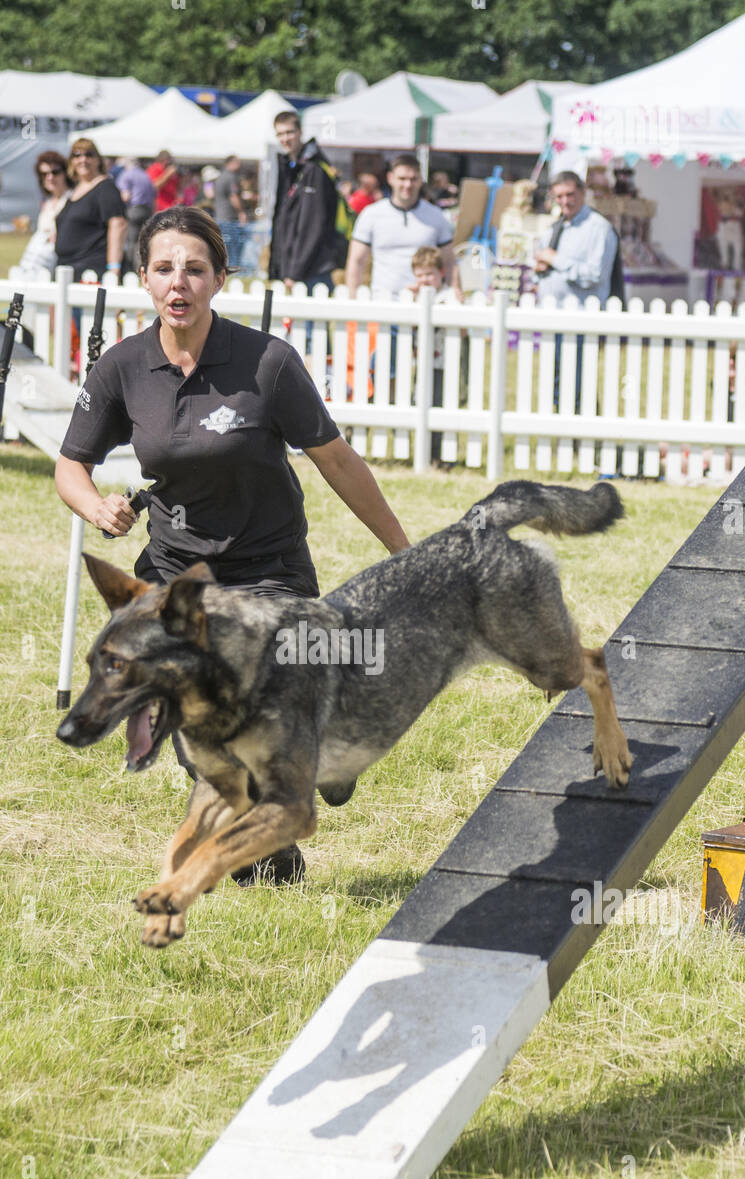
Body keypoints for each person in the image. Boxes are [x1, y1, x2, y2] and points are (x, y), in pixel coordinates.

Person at [54, 206, 410, 884]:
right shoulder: (121, 369)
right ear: (144, 279)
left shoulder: (268, 363)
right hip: (175, 575)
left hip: (269, 569)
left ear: (220, 277)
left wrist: (401, 549)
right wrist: (96, 505)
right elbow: (71, 464)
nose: (178, 282)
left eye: (194, 268)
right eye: (163, 269)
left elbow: (336, 460)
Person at [534, 170, 618, 413]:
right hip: (554, 317)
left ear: (583, 193)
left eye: (570, 194)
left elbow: (595, 275)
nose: (565, 201)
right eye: (559, 196)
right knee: (558, 381)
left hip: (581, 319)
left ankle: (587, 436)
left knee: (579, 382)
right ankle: (566, 432)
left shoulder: (598, 228)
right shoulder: (555, 227)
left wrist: (556, 260)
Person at [345, 154, 460, 300]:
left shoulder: (436, 216)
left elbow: (450, 262)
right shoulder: (371, 214)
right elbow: (356, 261)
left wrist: (455, 295)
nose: (408, 185)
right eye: (402, 179)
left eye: (413, 179)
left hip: (424, 303)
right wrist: (352, 298)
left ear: (420, 180)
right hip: (383, 301)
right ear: (390, 178)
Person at [268, 110, 339, 292]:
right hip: (295, 268)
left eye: (289, 132)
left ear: (300, 132)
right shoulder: (292, 167)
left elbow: (312, 225)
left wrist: (294, 272)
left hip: (312, 270)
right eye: (280, 134)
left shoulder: (313, 169)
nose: (285, 139)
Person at [55, 138, 127, 284]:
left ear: (98, 160)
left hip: (91, 271)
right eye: (77, 155)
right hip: (66, 268)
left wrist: (114, 267)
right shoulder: (74, 191)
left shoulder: (105, 187)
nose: (83, 159)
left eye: (89, 154)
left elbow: (118, 224)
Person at [410, 246, 457, 468]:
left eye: (430, 274)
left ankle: (441, 455)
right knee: (419, 402)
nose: (425, 280)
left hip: (444, 363)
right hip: (421, 363)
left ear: (442, 273)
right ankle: (424, 452)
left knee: (441, 405)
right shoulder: (414, 298)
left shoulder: (449, 297)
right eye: (420, 275)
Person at [18, 150, 70, 276]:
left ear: (65, 173)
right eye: (44, 173)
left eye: (55, 172)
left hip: (63, 265)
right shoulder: (47, 204)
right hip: (38, 263)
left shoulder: (73, 199)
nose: (50, 177)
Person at [115, 156, 155, 276]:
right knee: (142, 242)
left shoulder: (126, 175)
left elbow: (125, 196)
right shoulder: (146, 175)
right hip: (146, 211)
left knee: (130, 242)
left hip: (133, 210)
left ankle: (132, 271)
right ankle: (141, 269)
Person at [214, 154, 248, 269]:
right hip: (230, 218)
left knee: (224, 247)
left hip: (220, 217)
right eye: (237, 162)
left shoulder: (220, 177)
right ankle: (233, 269)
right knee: (234, 248)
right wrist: (241, 212)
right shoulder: (231, 177)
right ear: (231, 163)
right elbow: (234, 197)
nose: (240, 165)